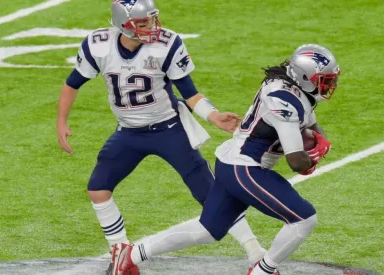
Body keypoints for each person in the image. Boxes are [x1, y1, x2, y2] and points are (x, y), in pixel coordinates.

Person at [56, 0, 267, 274]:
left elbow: (189, 92)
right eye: (143, 23)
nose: (152, 27)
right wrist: (61, 121)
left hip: (169, 128)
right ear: (124, 24)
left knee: (210, 193)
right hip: (128, 132)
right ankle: (121, 253)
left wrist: (213, 116)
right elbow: (73, 82)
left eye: (152, 20)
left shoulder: (167, 44)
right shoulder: (99, 45)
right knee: (98, 188)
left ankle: (255, 251)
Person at [113, 43, 340, 274]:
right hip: (246, 167)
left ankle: (132, 253)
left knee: (208, 229)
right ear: (304, 76)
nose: (331, 85)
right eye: (325, 79)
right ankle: (263, 271)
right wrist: (313, 155)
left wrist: (318, 142)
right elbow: (296, 161)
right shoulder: (284, 100)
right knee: (304, 219)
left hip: (233, 163)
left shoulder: (290, 86)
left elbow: (313, 127)